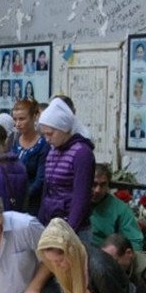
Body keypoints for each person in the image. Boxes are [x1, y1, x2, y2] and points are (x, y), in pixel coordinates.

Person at [38, 217, 146, 293]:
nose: (56, 266)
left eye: (59, 261)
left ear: (70, 251)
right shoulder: (75, 257)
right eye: (51, 262)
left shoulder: (100, 270)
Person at [36, 98, 95, 233]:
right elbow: (47, 190)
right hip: (51, 222)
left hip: (73, 227)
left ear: (64, 128)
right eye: (44, 134)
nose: (47, 139)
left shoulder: (81, 153)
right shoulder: (52, 151)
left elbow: (81, 196)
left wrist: (69, 231)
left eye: (50, 134)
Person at [87, 164, 142, 249]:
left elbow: (135, 244)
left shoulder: (121, 209)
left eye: (103, 185)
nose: (98, 190)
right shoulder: (74, 203)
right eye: (94, 184)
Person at [10, 99, 49, 215]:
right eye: (15, 119)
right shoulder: (12, 139)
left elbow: (41, 179)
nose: (17, 124)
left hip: (33, 204)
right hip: (12, 200)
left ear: (34, 117)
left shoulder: (43, 144)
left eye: (22, 119)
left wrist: (21, 196)